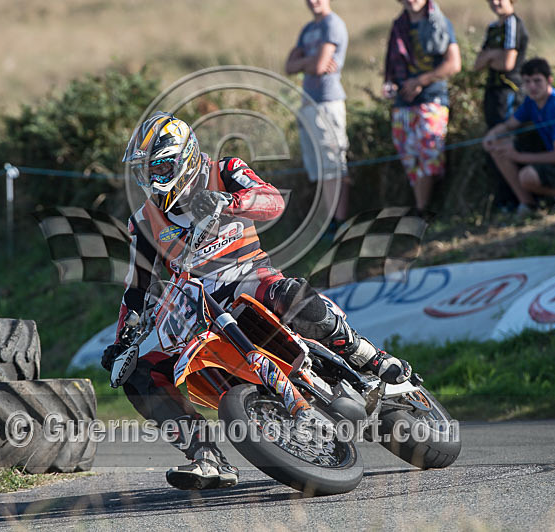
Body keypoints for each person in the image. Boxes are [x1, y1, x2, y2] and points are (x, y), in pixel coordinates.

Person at [102, 112, 412, 490]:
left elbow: (272, 201)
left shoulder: (226, 168)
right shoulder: (144, 220)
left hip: (250, 276)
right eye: (147, 171)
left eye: (162, 166)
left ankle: (365, 353)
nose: (154, 179)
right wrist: (122, 340)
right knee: (140, 375)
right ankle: (205, 456)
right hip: (199, 306)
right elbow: (137, 288)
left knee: (289, 294)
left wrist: (229, 202)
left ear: (185, 157)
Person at [483, 57, 555, 214]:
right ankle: (528, 205)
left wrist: (519, 157)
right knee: (499, 148)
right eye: (527, 82)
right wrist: (492, 135)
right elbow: (510, 124)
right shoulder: (531, 102)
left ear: (549, 80)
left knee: (526, 176)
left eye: (537, 81)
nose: (532, 87)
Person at [383, 0, 461, 210]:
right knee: (410, 158)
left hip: (431, 98)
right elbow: (391, 66)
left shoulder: (440, 22)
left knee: (429, 152)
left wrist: (421, 81)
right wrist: (390, 84)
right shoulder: (399, 26)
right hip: (403, 102)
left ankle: (423, 209)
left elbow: (454, 63)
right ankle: (422, 207)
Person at [285, 0, 350, 236]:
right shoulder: (308, 29)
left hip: (327, 103)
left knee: (334, 165)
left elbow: (321, 65)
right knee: (321, 169)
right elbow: (289, 66)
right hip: (309, 103)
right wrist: (307, 64)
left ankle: (340, 221)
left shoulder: (333, 24)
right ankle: (329, 219)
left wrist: (308, 63)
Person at [473, 0, 529, 213]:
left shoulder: (512, 24)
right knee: (494, 143)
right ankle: (505, 199)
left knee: (504, 143)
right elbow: (478, 64)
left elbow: (506, 63)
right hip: (492, 93)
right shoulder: (493, 27)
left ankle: (518, 199)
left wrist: (490, 56)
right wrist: (490, 56)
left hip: (508, 92)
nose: (495, 2)